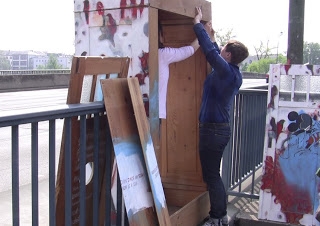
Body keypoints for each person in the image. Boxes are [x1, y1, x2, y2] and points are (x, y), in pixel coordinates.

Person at [193, 7, 249, 226]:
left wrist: (197, 24)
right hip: (218, 130)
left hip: (213, 131)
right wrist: (212, 35)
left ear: (228, 55)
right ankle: (219, 214)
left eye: (224, 47)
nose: (220, 48)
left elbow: (210, 52)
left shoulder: (225, 71)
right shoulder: (232, 72)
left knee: (212, 176)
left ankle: (217, 217)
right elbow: (216, 52)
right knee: (213, 174)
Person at [158, 22, 200, 119]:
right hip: (156, 112)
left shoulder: (137, 54)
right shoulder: (162, 54)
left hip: (134, 108)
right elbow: (189, 50)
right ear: (159, 35)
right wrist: (203, 33)